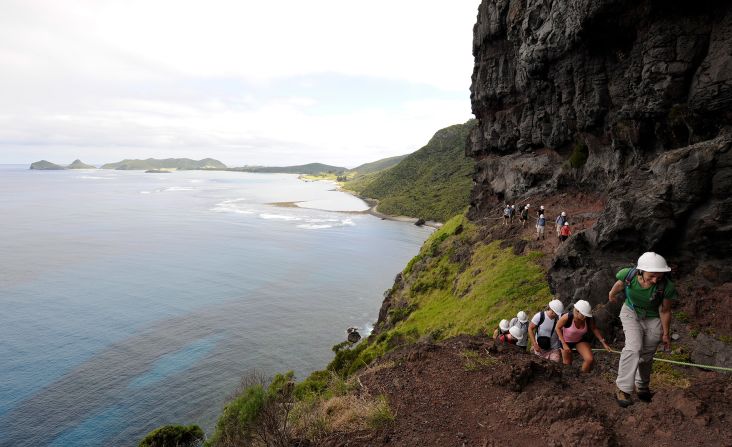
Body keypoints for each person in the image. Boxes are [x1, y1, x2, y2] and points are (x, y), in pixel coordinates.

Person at [608, 252, 678, 407]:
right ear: (641, 270)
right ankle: (623, 388)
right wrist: (612, 293)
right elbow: (620, 284)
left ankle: (642, 385)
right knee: (634, 348)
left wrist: (666, 334)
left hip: (653, 317)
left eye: (659, 277)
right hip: (631, 312)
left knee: (647, 353)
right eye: (652, 276)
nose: (655, 280)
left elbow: (665, 311)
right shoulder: (629, 274)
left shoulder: (667, 286)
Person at [555, 300, 611, 372]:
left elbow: (594, 329)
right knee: (567, 365)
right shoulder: (567, 317)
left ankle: (583, 377)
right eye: (583, 315)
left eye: (586, 315)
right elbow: (557, 328)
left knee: (589, 359)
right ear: (577, 311)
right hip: (565, 341)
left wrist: (604, 343)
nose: (585, 317)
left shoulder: (588, 318)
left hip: (578, 340)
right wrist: (563, 344)